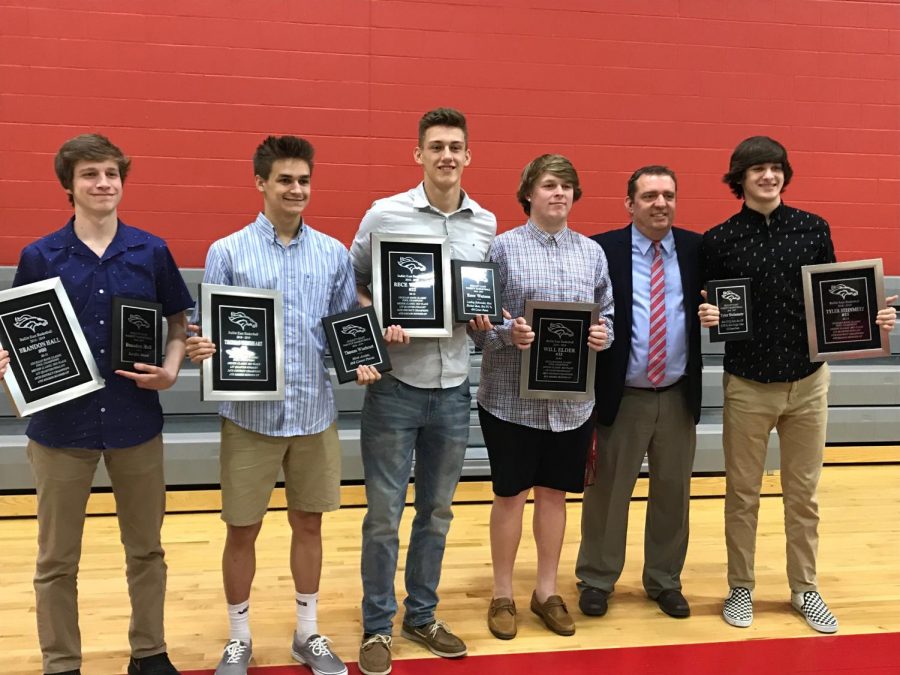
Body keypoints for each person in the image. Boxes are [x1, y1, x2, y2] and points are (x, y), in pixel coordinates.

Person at [185, 136, 379, 675]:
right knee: (241, 529)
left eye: (304, 181)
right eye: (285, 180)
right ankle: (240, 636)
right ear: (261, 183)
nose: (297, 190)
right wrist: (203, 347)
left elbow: (345, 327)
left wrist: (363, 357)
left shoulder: (333, 253)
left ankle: (308, 633)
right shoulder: (226, 251)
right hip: (250, 418)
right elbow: (211, 331)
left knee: (310, 526)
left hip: (313, 414)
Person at [698, 136, 897, 634]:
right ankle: (740, 587)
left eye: (776, 168)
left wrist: (872, 318)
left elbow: (834, 302)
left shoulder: (813, 229)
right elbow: (706, 304)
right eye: (758, 169)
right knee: (741, 493)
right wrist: (708, 313)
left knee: (803, 495)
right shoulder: (719, 240)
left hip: (809, 382)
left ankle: (804, 589)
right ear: (739, 178)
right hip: (748, 384)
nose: (769, 176)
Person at [12, 133, 193, 675]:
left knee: (146, 550)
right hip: (59, 427)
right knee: (56, 561)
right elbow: (20, 335)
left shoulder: (151, 250)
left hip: (136, 421)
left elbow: (179, 325)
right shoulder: (39, 255)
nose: (103, 183)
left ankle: (149, 653)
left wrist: (172, 369)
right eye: (90, 174)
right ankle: (62, 662)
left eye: (112, 174)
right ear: (68, 184)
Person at [349, 108, 496, 675]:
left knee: (436, 512)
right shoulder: (384, 214)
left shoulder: (484, 222)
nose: (446, 156)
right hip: (395, 386)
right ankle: (376, 625)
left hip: (455, 386)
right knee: (384, 514)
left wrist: (483, 317)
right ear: (418, 154)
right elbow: (354, 281)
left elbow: (479, 294)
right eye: (436, 146)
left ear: (468, 155)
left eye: (456, 146)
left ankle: (422, 614)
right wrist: (375, 316)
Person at [472, 154, 614, 640]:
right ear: (529, 193)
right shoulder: (502, 249)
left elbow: (607, 315)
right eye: (550, 185)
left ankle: (546, 591)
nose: (560, 194)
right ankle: (503, 594)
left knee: (554, 495)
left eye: (567, 187)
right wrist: (505, 335)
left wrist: (603, 338)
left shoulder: (592, 253)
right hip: (510, 401)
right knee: (509, 495)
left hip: (572, 404)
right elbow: (481, 323)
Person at [575, 166, 702, 620]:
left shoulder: (695, 248)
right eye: (649, 196)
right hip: (621, 393)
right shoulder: (601, 249)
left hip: (676, 393)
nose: (660, 203)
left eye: (668, 194)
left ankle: (664, 579)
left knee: (673, 492)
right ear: (630, 204)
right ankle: (597, 578)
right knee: (608, 493)